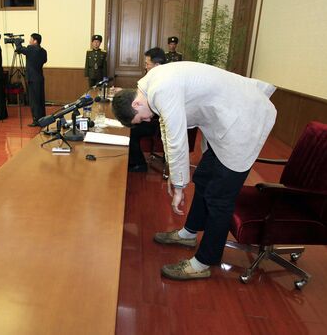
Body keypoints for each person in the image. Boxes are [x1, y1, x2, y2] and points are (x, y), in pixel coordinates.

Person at [111, 61, 277, 280]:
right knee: (205, 177)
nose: (147, 119)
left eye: (141, 118)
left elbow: (177, 138)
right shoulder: (148, 85)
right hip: (227, 118)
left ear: (135, 105)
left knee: (220, 197)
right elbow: (166, 128)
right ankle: (189, 233)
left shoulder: (160, 89)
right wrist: (173, 174)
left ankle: (204, 262)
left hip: (244, 119)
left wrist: (179, 186)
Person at [128, 47, 167, 172]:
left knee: (130, 132)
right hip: (151, 119)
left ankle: (139, 164)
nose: (145, 67)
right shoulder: (155, 77)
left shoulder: (163, 82)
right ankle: (132, 160)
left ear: (157, 65)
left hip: (156, 123)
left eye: (147, 64)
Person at [15, 33, 47, 126]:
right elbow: (44, 60)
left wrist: (17, 42)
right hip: (39, 77)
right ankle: (42, 118)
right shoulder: (43, 51)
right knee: (40, 99)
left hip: (32, 78)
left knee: (33, 101)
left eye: (31, 39)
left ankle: (36, 120)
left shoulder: (31, 49)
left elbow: (20, 49)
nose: (29, 41)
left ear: (35, 41)